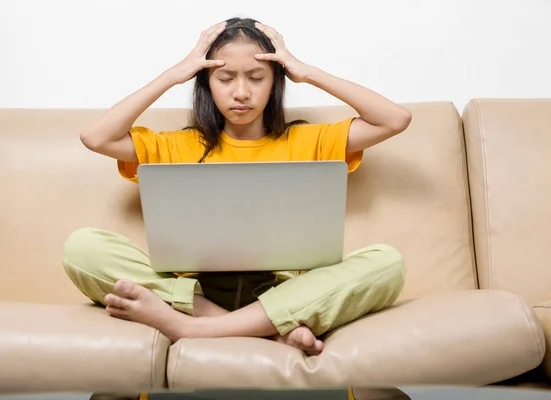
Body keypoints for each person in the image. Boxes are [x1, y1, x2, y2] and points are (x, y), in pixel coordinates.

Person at [62, 17, 411, 356]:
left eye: (256, 77)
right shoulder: (176, 146)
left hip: (285, 288)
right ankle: (262, 329)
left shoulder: (311, 139)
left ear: (275, 82)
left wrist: (306, 71)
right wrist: (173, 75)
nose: (241, 92)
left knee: (387, 263)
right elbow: (96, 137)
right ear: (206, 83)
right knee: (83, 248)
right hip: (193, 287)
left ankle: (195, 328)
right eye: (225, 78)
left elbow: (395, 119)